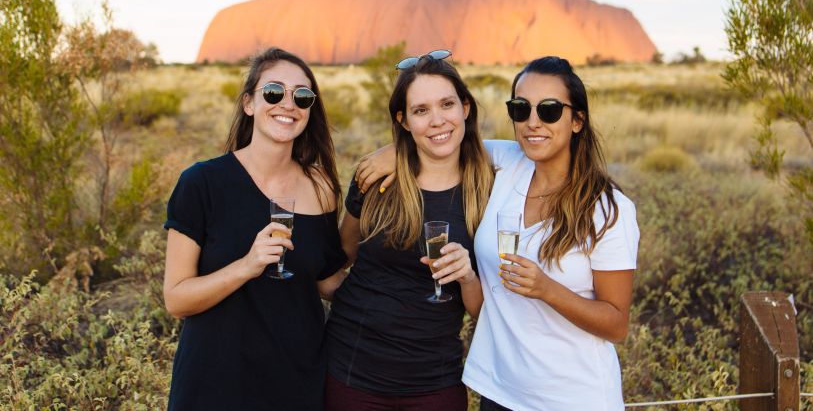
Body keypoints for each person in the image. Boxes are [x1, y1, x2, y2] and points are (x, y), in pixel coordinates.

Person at [357, 56, 639, 411]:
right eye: (520, 109)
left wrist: (547, 289)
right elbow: (443, 139)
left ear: (577, 120)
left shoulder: (608, 209)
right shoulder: (508, 164)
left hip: (572, 397)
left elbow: (616, 324)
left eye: (550, 110)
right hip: (499, 391)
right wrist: (397, 150)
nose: (533, 122)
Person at [162, 47, 347, 411]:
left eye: (302, 96)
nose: (288, 104)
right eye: (274, 92)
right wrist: (247, 266)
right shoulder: (202, 183)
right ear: (249, 103)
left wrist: (397, 280)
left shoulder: (321, 187)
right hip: (215, 385)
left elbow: (326, 281)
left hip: (296, 383)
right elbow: (177, 299)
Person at [324, 50, 494, 411]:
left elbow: (486, 310)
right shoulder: (375, 179)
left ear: (465, 107)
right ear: (403, 120)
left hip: (435, 380)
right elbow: (341, 255)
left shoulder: (490, 190)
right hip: (352, 371)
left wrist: (466, 277)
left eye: (447, 104)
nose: (437, 121)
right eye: (421, 111)